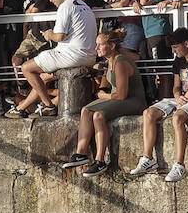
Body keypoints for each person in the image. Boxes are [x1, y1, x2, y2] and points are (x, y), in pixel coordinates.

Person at [8, 0, 98, 118]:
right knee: (42, 77)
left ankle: (48, 105)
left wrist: (49, 34)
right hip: (89, 56)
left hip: (71, 56)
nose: (50, 0)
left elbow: (59, 37)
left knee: (26, 68)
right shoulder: (83, 5)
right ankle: (21, 108)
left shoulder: (65, 6)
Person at [61, 30, 146, 177]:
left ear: (112, 46)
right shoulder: (110, 60)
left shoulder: (121, 62)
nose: (96, 48)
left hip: (133, 100)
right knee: (86, 110)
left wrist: (103, 95)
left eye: (100, 44)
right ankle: (81, 153)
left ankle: (100, 160)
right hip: (119, 98)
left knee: (98, 116)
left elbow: (121, 95)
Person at [132, 28, 188, 182]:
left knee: (178, 118)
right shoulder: (178, 60)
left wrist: (182, 102)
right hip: (181, 98)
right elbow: (176, 86)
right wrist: (178, 97)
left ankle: (179, 165)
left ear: (186, 44)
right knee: (148, 113)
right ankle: (147, 158)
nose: (173, 51)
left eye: (175, 47)